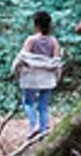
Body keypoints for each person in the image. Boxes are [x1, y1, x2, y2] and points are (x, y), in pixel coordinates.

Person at [11, 11, 63, 139]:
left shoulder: (31, 40)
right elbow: (56, 60)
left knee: (28, 102)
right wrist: (57, 75)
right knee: (43, 106)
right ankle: (44, 130)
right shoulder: (54, 41)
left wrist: (15, 71)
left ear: (36, 25)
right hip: (47, 78)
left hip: (31, 77)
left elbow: (23, 57)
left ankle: (34, 125)